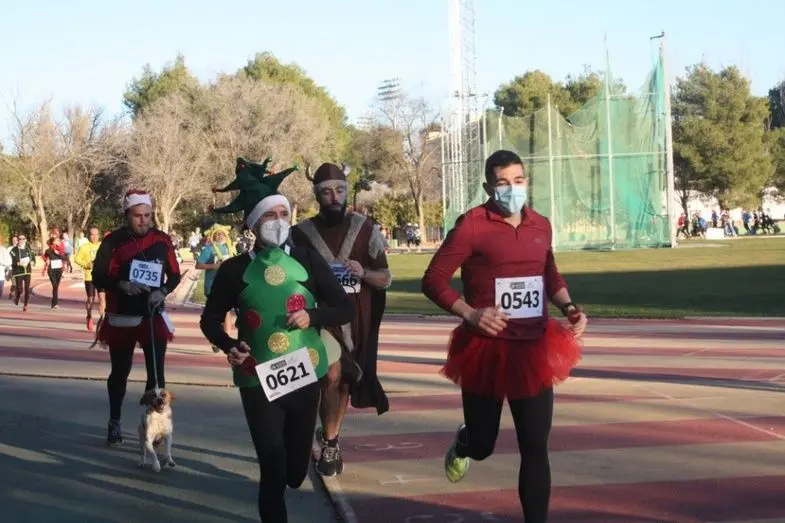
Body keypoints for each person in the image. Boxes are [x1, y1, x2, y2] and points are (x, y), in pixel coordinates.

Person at [421, 150, 588, 523]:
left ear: (527, 181)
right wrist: (470, 314)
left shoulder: (541, 225)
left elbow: (548, 272)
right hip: (486, 349)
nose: (512, 189)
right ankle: (466, 441)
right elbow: (433, 280)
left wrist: (568, 306)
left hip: (533, 348)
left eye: (518, 180)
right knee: (484, 446)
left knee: (535, 445)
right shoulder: (472, 226)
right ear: (488, 187)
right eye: (502, 183)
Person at [201, 157, 353, 523]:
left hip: (304, 371)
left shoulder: (307, 259)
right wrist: (229, 345)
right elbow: (210, 319)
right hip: (258, 377)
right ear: (254, 223)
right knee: (271, 466)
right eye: (270, 216)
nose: (279, 221)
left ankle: (294, 467)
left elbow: (344, 307)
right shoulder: (234, 269)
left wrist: (313, 316)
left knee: (294, 471)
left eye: (284, 214)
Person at [290, 162, 391, 477]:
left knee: (345, 378)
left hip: (357, 320)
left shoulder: (365, 229)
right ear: (317, 195)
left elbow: (385, 278)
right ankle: (324, 438)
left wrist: (365, 272)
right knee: (331, 374)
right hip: (319, 319)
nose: (334, 197)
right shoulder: (300, 234)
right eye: (327, 192)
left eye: (340, 190)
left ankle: (331, 437)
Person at [91, 189, 181, 446]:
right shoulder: (112, 242)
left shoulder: (162, 240)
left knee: (156, 375)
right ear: (127, 215)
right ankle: (115, 420)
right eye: (138, 215)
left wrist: (162, 291)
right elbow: (97, 276)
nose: (143, 220)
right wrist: (121, 284)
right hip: (122, 317)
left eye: (148, 215)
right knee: (120, 372)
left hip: (152, 315)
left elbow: (174, 275)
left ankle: (154, 426)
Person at [195, 222, 236, 352]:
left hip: (228, 285)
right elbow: (198, 265)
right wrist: (214, 266)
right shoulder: (208, 249)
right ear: (213, 236)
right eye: (217, 234)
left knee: (227, 312)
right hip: (212, 285)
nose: (219, 236)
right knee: (214, 315)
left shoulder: (230, 248)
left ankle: (226, 339)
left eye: (222, 234)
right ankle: (216, 339)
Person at [73, 226, 105, 331]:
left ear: (99, 235)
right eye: (92, 235)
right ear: (89, 236)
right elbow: (77, 259)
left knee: (102, 298)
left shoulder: (102, 246)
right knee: (91, 299)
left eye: (96, 234)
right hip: (89, 277)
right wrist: (86, 264)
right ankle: (89, 316)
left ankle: (102, 320)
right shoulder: (84, 247)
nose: (94, 237)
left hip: (101, 276)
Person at [9, 234, 35, 312]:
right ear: (18, 240)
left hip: (27, 271)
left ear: (25, 240)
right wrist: (17, 263)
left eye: (23, 239)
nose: (21, 240)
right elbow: (11, 260)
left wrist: (33, 262)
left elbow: (33, 258)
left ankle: (25, 305)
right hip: (18, 272)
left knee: (27, 289)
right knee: (20, 289)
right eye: (20, 239)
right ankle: (17, 297)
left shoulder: (28, 249)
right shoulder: (14, 250)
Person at [41, 237, 66, 309]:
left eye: (59, 241)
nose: (59, 242)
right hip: (51, 271)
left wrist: (58, 254)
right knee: (55, 286)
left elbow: (64, 258)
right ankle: (55, 303)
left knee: (56, 287)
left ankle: (53, 303)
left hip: (59, 270)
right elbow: (44, 257)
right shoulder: (48, 250)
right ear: (53, 242)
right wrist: (46, 261)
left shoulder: (61, 250)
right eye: (57, 241)